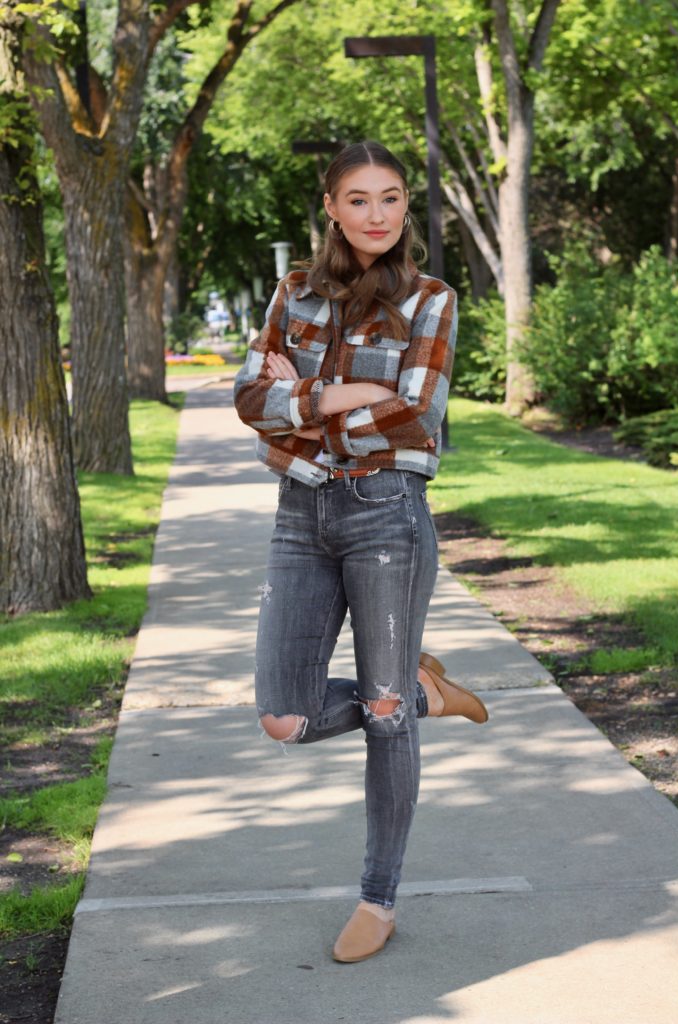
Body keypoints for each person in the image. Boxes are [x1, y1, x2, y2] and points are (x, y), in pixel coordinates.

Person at [233, 140, 489, 964]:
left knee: (384, 722)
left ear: (404, 206)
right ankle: (423, 690)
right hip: (299, 515)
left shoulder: (431, 301)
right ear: (331, 208)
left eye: (390, 198)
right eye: (358, 199)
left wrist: (299, 403)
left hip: (387, 516)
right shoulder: (294, 294)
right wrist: (355, 391)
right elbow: (247, 400)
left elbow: (417, 418)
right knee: (285, 717)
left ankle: (378, 900)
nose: (376, 215)